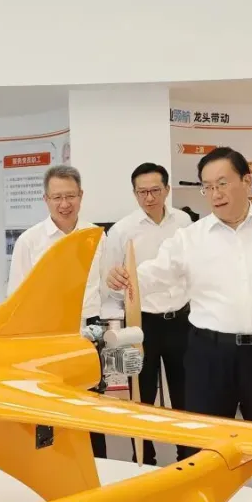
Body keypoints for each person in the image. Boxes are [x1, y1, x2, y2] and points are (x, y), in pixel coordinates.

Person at [106, 147, 252, 496]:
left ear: (246, 181)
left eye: (222, 183)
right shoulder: (191, 237)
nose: (215, 193)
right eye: (207, 187)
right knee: (203, 449)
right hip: (209, 357)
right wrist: (125, 277)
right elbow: (155, 273)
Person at [8, 164, 108, 458]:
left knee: (91, 409)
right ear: (46, 199)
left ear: (81, 196)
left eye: (70, 196)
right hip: (46, 338)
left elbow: (107, 288)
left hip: (88, 334)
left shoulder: (97, 237)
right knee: (50, 411)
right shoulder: (30, 241)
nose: (65, 204)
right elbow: (16, 296)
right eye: (57, 197)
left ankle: (96, 467)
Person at [101, 162, 192, 465]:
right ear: (134, 193)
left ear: (167, 190)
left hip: (181, 320)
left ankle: (187, 456)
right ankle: (144, 458)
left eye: (155, 190)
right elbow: (110, 282)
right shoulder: (122, 230)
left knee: (185, 396)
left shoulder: (185, 223)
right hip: (142, 324)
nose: (149, 197)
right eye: (142, 192)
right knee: (141, 397)